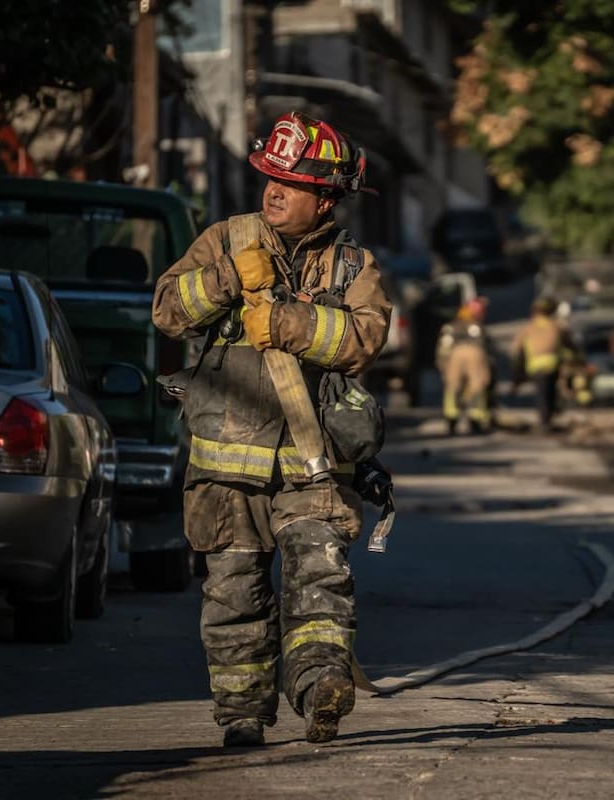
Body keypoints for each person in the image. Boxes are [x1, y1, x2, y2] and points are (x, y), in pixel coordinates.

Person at [151, 111, 391, 748]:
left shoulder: (351, 267)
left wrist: (289, 323)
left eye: (292, 183)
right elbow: (168, 310)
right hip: (226, 468)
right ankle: (241, 717)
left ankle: (321, 692)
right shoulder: (224, 239)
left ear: (327, 199)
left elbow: (366, 337)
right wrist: (230, 279)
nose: (274, 192)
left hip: (313, 466)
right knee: (234, 597)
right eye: (269, 179)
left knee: (321, 577)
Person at [511, 296, 576, 431]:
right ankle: (548, 418)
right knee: (550, 391)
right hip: (553, 365)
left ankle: (544, 420)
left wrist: (518, 371)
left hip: (535, 366)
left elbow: (516, 349)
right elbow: (570, 345)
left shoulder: (529, 327)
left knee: (542, 394)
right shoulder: (556, 326)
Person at [437, 296, 494, 435]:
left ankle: (451, 419)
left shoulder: (451, 326)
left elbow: (443, 347)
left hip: (455, 355)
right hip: (476, 353)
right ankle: (476, 419)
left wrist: (443, 365)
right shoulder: (478, 327)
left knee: (453, 386)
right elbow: (488, 347)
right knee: (477, 386)